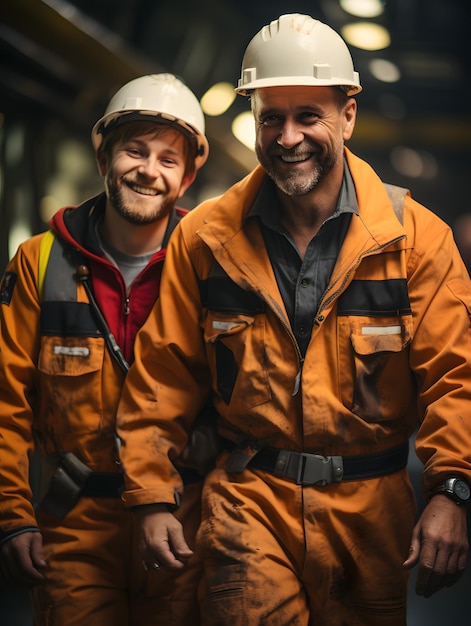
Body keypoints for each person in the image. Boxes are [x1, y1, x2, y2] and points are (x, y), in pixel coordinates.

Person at [117, 14, 471, 626]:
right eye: (271, 118)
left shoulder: (417, 241)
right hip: (249, 505)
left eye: (309, 115)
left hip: (372, 515)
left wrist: (451, 491)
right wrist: (150, 496)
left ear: (349, 115)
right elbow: (162, 376)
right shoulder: (206, 237)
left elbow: (455, 378)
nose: (288, 137)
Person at [0, 73, 209, 626]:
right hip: (74, 523)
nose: (148, 170)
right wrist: (12, 517)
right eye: (134, 151)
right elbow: (6, 404)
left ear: (187, 178)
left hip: (182, 520)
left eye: (168, 159)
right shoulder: (39, 264)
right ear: (103, 159)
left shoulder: (211, 266)